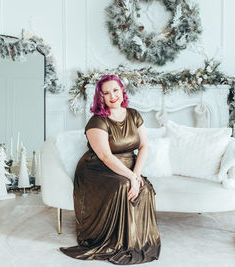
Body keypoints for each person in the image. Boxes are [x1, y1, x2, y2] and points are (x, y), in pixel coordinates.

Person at [60, 74, 161, 264]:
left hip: (127, 166)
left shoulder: (134, 115)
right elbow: (105, 156)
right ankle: (117, 242)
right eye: (106, 93)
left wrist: (136, 175)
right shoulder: (97, 121)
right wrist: (131, 177)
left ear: (122, 91)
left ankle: (137, 241)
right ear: (101, 98)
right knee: (124, 186)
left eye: (115, 90)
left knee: (145, 188)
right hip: (97, 169)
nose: (112, 96)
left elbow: (144, 147)